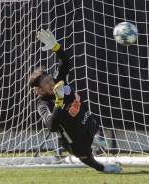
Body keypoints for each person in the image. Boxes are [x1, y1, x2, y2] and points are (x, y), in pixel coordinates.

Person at [29, 29, 121, 173]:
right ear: (40, 91)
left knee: (94, 123)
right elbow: (52, 126)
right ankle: (102, 168)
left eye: (50, 79)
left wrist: (56, 47)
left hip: (88, 122)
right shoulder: (43, 104)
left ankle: (93, 138)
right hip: (75, 141)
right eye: (46, 83)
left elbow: (65, 62)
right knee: (87, 158)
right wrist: (59, 102)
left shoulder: (59, 81)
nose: (51, 83)